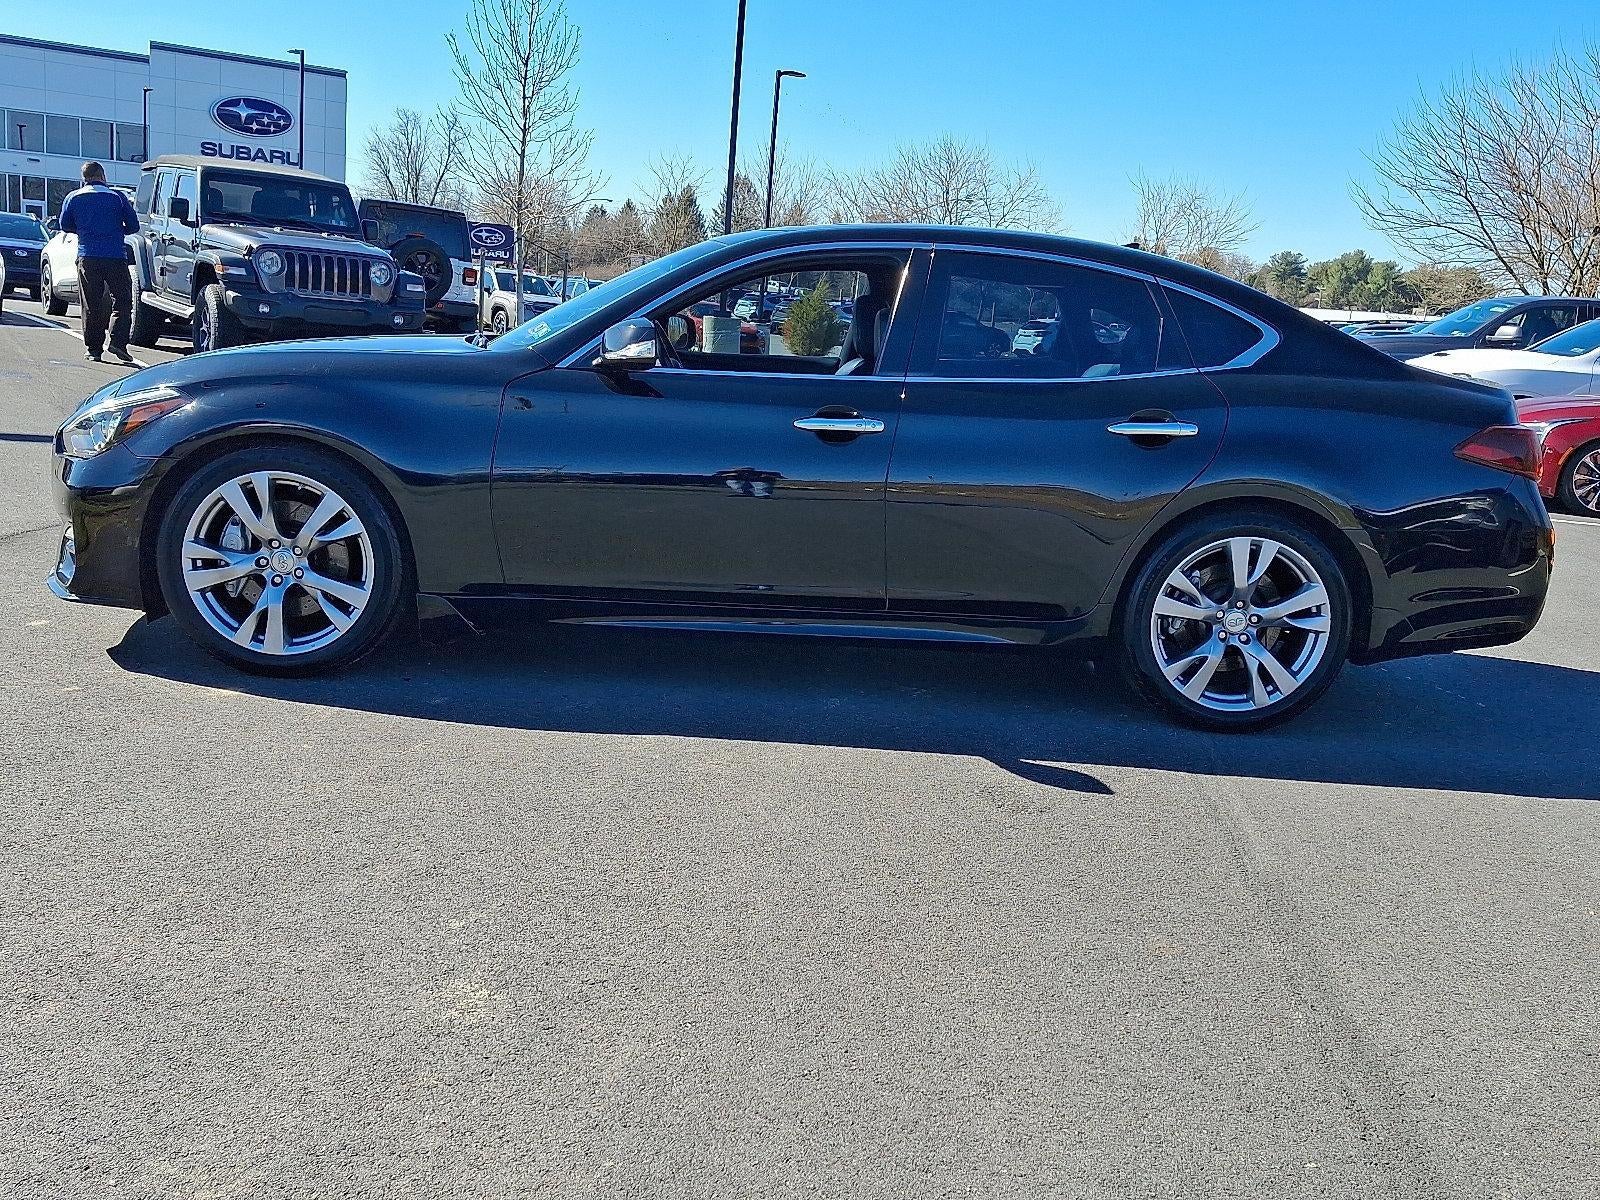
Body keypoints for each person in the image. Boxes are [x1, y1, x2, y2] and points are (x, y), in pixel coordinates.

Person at [57, 161, 140, 365]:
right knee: (122, 300)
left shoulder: (73, 197)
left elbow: (65, 224)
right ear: (102, 176)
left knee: (91, 303)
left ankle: (94, 350)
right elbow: (134, 226)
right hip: (115, 256)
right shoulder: (118, 197)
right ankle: (118, 342)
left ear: (84, 177)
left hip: (88, 256)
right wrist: (115, 231)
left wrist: (86, 232)